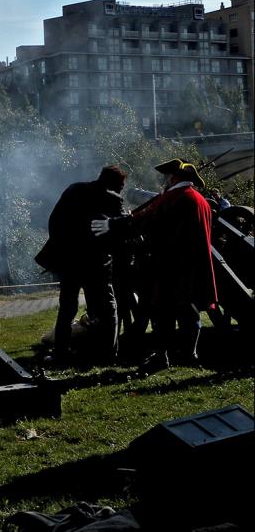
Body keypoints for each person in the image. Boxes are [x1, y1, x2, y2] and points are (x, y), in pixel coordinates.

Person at [93, 158, 216, 372]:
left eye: (166, 177)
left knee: (162, 313)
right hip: (194, 264)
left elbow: (145, 219)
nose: (164, 181)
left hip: (171, 266)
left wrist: (113, 224)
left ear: (174, 177)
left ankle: (161, 357)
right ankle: (189, 353)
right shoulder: (200, 200)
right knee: (189, 311)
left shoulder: (173, 198)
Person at [42, 165, 128, 365]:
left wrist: (64, 247)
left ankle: (61, 353)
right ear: (115, 184)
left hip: (70, 261)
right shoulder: (113, 200)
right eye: (121, 186)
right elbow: (117, 235)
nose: (122, 189)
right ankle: (108, 353)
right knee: (108, 308)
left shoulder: (74, 190)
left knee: (67, 310)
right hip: (97, 264)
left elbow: (54, 222)